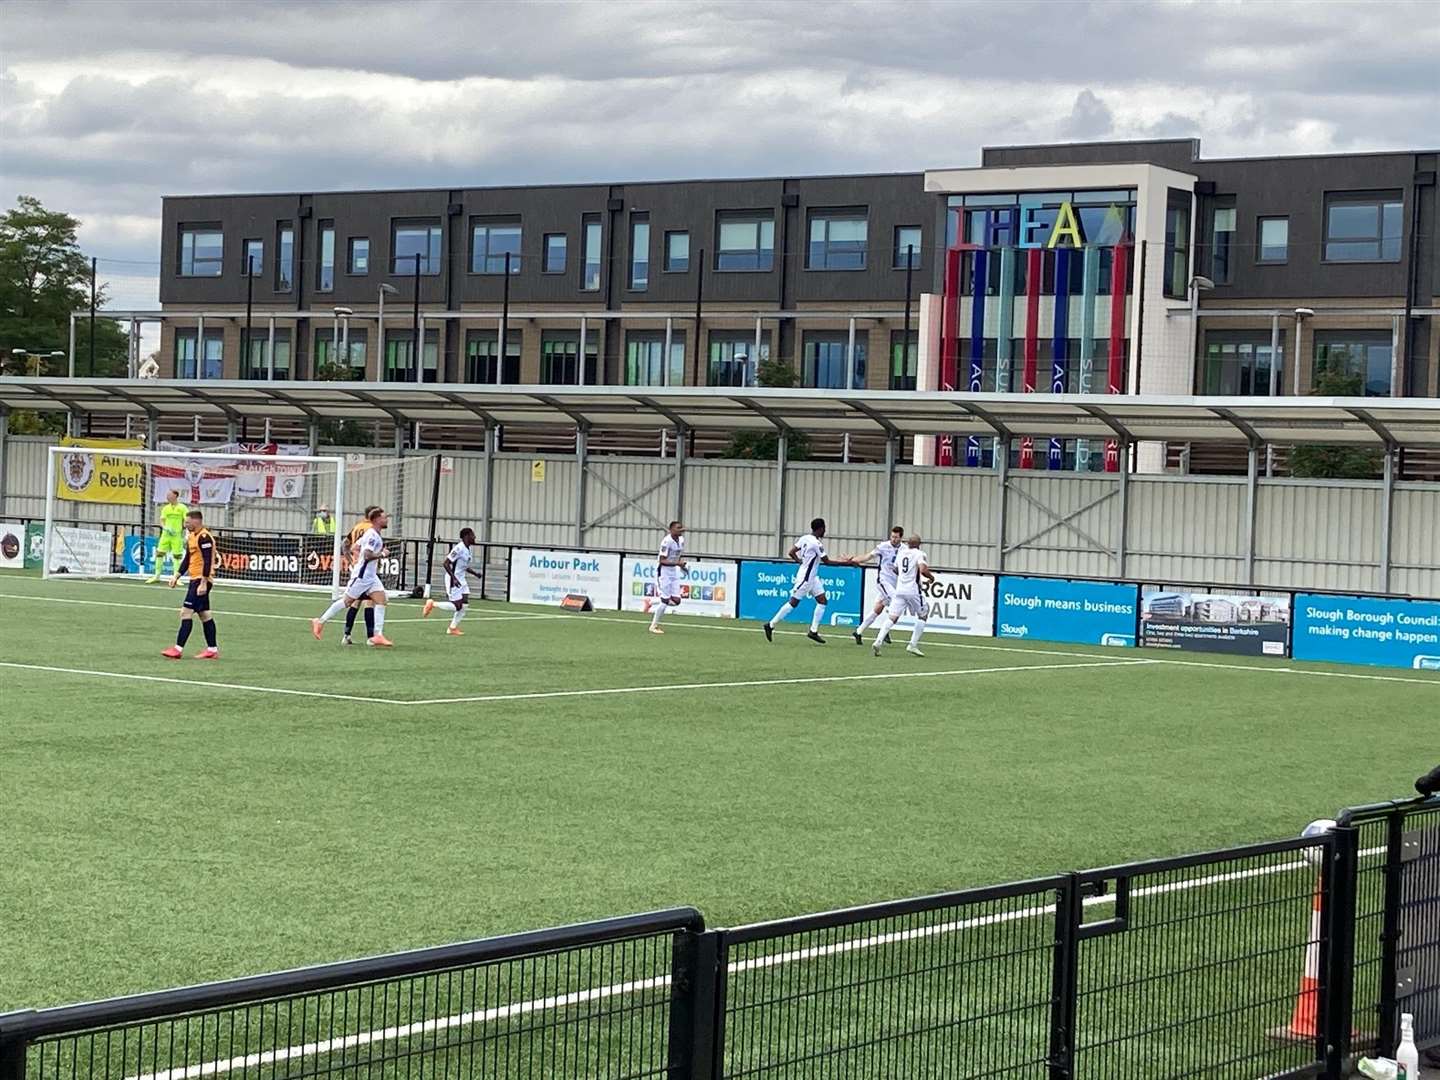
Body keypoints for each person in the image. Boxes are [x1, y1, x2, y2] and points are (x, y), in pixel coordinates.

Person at [312, 507, 393, 647]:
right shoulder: (372, 535)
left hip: (370, 576)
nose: (387, 520)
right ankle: (320, 621)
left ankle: (377, 635)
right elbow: (367, 555)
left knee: (382, 600)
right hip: (362, 576)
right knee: (347, 602)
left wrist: (355, 560)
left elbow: (354, 547)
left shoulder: (370, 532)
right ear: (377, 519)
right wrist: (382, 554)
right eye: (384, 517)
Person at [764, 517, 843, 644]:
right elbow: (827, 562)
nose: (825, 531)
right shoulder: (816, 544)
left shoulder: (805, 538)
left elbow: (791, 552)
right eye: (824, 528)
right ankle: (770, 625)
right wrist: (846, 563)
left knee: (822, 600)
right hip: (806, 578)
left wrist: (800, 561)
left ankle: (813, 631)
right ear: (821, 528)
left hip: (812, 577)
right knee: (793, 602)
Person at [161, 511, 219, 660]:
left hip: (201, 580)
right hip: (195, 579)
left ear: (196, 521)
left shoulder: (204, 537)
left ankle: (177, 649)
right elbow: (188, 558)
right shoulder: (192, 536)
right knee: (204, 614)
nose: (185, 525)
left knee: (185, 612)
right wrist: (177, 575)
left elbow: (207, 561)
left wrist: (204, 583)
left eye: (187, 522)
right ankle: (212, 649)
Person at [870, 535, 935, 658]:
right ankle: (912, 644)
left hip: (900, 589)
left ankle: (878, 641)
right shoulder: (920, 554)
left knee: (892, 617)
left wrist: (904, 576)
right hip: (913, 590)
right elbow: (923, 569)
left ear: (908, 543)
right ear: (919, 544)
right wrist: (931, 578)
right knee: (923, 614)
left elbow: (895, 569)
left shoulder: (901, 553)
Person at [850, 525, 905, 645]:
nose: (893, 539)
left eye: (896, 537)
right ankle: (885, 632)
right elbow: (868, 556)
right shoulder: (883, 546)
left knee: (878, 609)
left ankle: (858, 632)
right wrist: (854, 560)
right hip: (883, 581)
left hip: (894, 583)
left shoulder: (904, 549)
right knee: (897, 602)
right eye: (892, 536)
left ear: (901, 537)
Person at [422, 528, 480, 635]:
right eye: (472, 535)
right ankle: (433, 604)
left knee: (465, 604)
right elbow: (446, 563)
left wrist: (475, 573)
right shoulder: (459, 548)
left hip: (461, 579)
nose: (474, 537)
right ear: (466, 536)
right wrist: (453, 578)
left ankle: (452, 628)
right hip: (453, 579)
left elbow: (463, 566)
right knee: (457, 606)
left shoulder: (467, 549)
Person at [339, 505, 380, 645]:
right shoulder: (371, 530)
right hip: (365, 569)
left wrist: (351, 561)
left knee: (355, 602)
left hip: (356, 567)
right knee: (370, 602)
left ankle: (346, 635)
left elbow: (345, 544)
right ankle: (370, 637)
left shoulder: (357, 527)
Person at [648, 520, 687, 634]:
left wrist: (681, 565)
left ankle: (651, 602)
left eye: (681, 528)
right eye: (678, 528)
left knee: (676, 600)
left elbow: (677, 556)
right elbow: (662, 560)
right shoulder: (666, 541)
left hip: (674, 571)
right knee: (665, 600)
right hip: (664, 572)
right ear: (671, 530)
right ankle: (653, 626)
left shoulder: (681, 540)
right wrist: (677, 564)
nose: (681, 530)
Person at [147, 488, 189, 583]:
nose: (168, 497)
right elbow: (162, 520)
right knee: (159, 553)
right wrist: (165, 528)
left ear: (175, 496)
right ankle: (157, 576)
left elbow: (187, 521)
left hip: (176, 535)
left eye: (170, 495)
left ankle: (176, 578)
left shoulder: (182, 508)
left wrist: (186, 533)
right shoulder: (166, 508)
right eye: (167, 495)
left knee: (177, 556)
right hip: (166, 535)